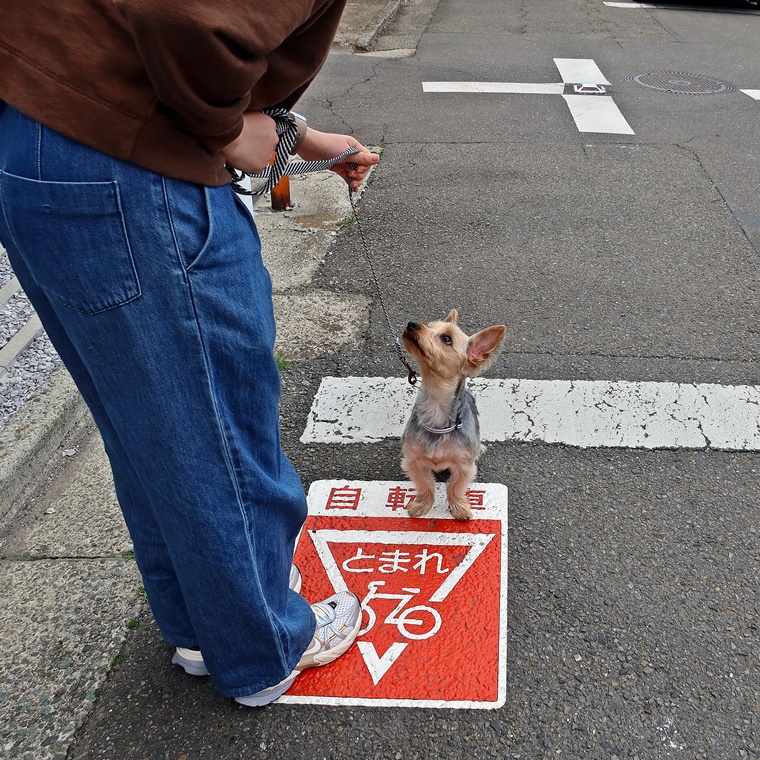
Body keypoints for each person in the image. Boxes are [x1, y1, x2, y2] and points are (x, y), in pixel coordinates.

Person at [0, 1, 379, 707]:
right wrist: (229, 130)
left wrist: (294, 136)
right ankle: (263, 646)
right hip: (137, 166)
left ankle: (205, 626)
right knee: (220, 425)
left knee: (150, 425)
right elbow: (188, 18)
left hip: (41, 134)